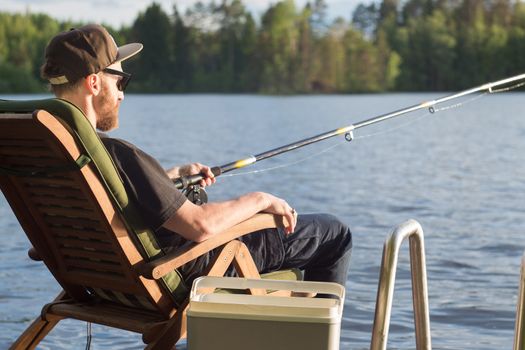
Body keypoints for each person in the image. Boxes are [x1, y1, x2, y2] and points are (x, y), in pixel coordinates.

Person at [40, 24, 352, 289]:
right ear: (94, 82)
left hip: (105, 277)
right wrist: (260, 200)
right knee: (334, 233)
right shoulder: (117, 154)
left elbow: (43, 244)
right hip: (193, 264)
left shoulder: (55, 155)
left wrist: (168, 178)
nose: (122, 93)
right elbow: (200, 226)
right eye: (120, 81)